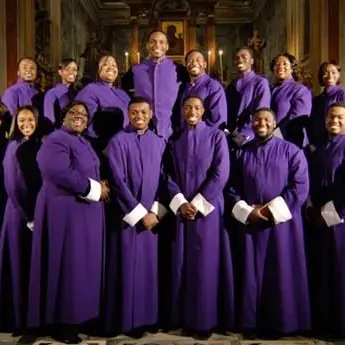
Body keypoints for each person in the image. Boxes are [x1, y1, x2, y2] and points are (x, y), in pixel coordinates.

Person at [27, 100, 110, 344]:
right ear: (64, 116)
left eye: (84, 115)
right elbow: (58, 171)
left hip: (82, 212)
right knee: (68, 267)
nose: (79, 117)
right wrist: (95, 189)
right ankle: (62, 323)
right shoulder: (55, 140)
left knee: (82, 268)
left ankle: (79, 318)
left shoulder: (83, 141)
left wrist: (100, 185)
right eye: (74, 112)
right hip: (64, 212)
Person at [228, 108, 310, 336]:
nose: (261, 123)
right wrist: (247, 211)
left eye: (266, 120)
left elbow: (300, 185)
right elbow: (232, 187)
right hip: (251, 224)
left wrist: (269, 211)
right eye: (257, 120)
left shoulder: (292, 151)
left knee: (281, 271)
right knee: (251, 274)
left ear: (274, 124)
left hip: (281, 226)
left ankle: (283, 322)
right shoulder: (241, 153)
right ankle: (251, 322)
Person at [164, 96, 234, 339]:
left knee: (205, 265)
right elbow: (168, 174)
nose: (191, 111)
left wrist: (198, 202)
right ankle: (181, 318)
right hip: (183, 210)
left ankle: (205, 321)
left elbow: (220, 172)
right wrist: (181, 202)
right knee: (182, 265)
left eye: (196, 107)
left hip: (208, 210)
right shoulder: (175, 139)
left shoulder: (216, 136)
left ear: (203, 110)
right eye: (187, 107)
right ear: (182, 111)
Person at [104, 96, 167, 337]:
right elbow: (117, 180)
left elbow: (164, 178)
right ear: (128, 114)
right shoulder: (118, 141)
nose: (139, 116)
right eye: (134, 112)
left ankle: (146, 319)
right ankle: (124, 321)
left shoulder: (159, 142)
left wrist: (155, 212)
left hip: (152, 218)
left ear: (150, 115)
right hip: (126, 216)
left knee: (148, 271)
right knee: (125, 267)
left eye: (143, 112)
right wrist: (139, 212)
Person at [0, 106, 41, 339]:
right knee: (20, 266)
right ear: (16, 122)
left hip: (31, 213)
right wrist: (29, 218)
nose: (27, 123)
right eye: (22, 120)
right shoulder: (14, 146)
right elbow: (14, 186)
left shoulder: (35, 145)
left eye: (31, 119)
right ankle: (21, 322)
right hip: (19, 215)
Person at [307, 102, 345, 337]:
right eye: (331, 116)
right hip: (316, 218)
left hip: (340, 219)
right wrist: (311, 209)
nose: (335, 120)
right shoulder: (315, 146)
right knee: (320, 272)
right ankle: (321, 323)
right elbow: (307, 178)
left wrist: (328, 215)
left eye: (341, 117)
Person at [122, 31, 187, 139]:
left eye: (161, 42)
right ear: (147, 45)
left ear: (167, 46)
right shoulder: (135, 70)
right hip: (143, 131)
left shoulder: (179, 69)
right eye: (153, 42)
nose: (157, 45)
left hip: (172, 132)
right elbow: (124, 95)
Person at [226, 47, 270, 147]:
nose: (240, 60)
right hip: (231, 135)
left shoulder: (260, 82)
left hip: (250, 135)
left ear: (251, 61)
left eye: (244, 57)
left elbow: (262, 110)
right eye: (237, 58)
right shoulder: (231, 85)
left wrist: (247, 133)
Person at [76, 55, 130, 137]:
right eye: (105, 64)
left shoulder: (123, 94)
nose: (110, 67)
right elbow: (84, 123)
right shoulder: (90, 90)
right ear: (97, 70)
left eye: (114, 65)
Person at [270, 53, 312, 148]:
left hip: (291, 141)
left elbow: (298, 116)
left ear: (292, 68)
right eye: (277, 64)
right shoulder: (270, 89)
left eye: (285, 63)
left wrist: (277, 134)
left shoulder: (300, 90)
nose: (280, 66)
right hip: (269, 140)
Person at [180, 49, 227, 129]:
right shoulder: (185, 86)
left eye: (198, 60)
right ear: (186, 65)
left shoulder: (213, 86)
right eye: (190, 61)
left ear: (205, 64)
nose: (194, 63)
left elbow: (217, 119)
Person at [309, 61, 345, 146]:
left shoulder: (342, 94)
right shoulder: (317, 99)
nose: (330, 76)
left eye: (333, 72)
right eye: (326, 72)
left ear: (338, 75)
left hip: (335, 142)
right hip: (317, 142)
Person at [43, 58, 79, 129]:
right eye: (67, 69)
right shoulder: (52, 93)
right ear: (60, 72)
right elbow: (49, 119)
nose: (71, 72)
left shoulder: (78, 93)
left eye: (74, 70)